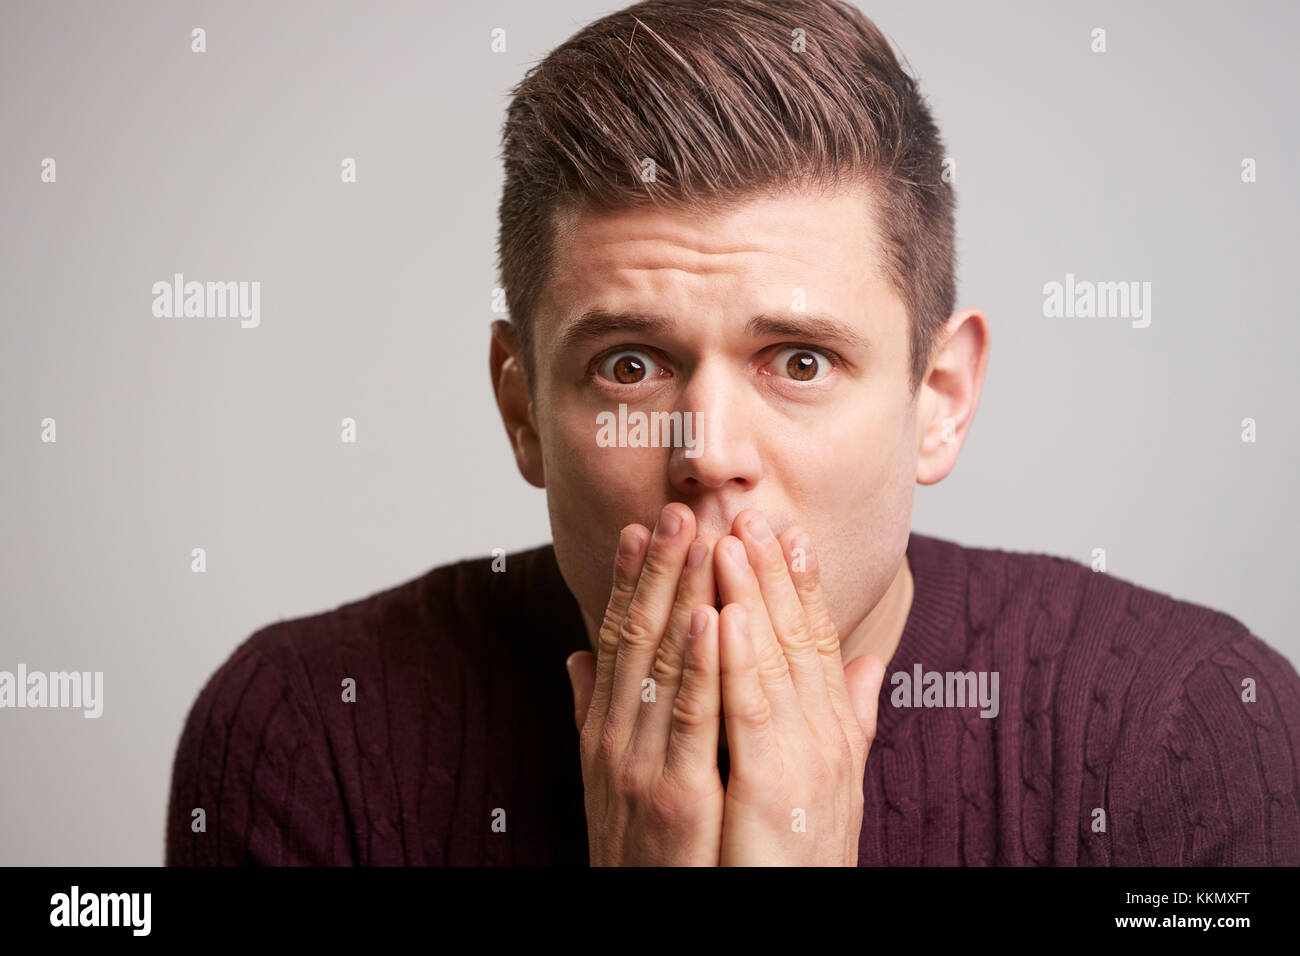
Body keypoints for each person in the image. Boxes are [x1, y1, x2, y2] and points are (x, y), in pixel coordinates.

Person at [165, 0, 1300, 866]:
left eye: (799, 361)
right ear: (521, 410)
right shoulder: (307, 735)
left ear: (938, 397)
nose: (707, 449)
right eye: (630, 363)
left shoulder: (1186, 727)